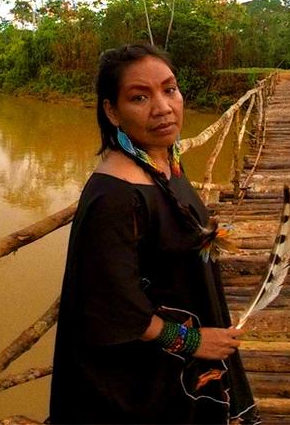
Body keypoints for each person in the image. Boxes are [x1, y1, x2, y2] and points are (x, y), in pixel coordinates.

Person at [49, 44, 260, 424]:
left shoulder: (165, 161)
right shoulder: (116, 195)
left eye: (170, 89)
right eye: (139, 97)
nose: (162, 107)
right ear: (111, 110)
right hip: (146, 382)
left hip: (190, 358)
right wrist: (196, 342)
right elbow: (111, 307)